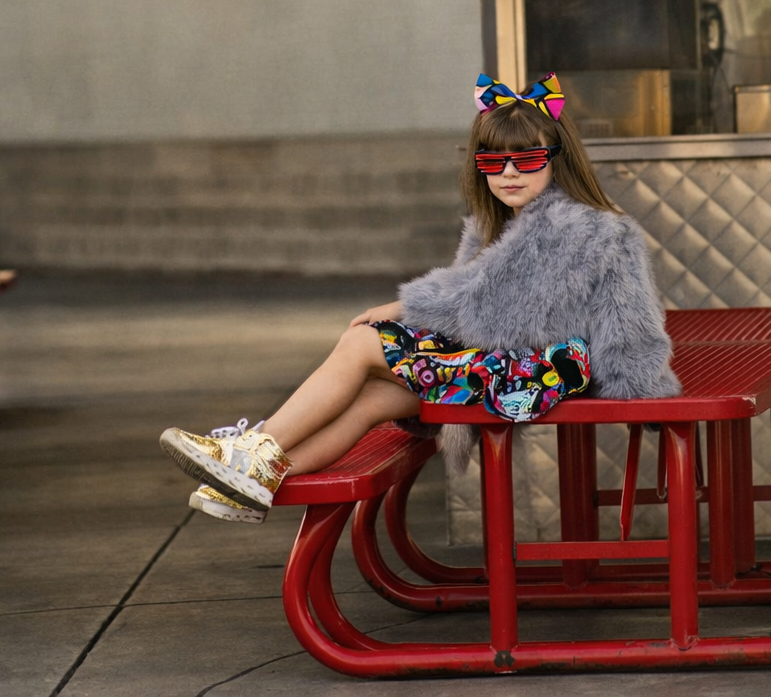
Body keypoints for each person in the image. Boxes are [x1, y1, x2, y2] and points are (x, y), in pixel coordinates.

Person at [160, 71, 679, 523]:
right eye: (493, 162)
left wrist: (402, 309)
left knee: (365, 344)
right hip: (511, 366)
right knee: (367, 402)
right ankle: (255, 483)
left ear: (557, 159)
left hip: (538, 372)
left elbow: (486, 308)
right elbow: (479, 310)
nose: (510, 172)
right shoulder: (504, 225)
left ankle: (253, 451)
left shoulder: (578, 227)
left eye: (527, 158)